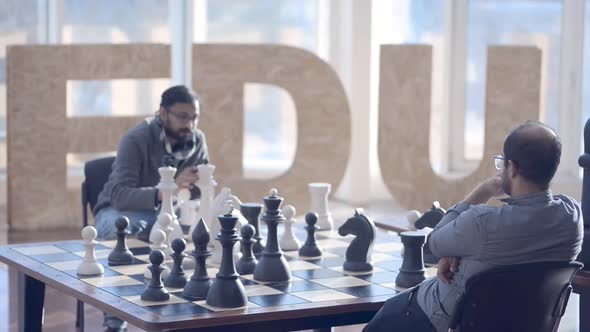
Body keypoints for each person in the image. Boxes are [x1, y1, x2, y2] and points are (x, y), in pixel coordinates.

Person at [364, 121, 583, 332]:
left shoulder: (480, 223)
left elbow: (433, 243)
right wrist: (461, 252)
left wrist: (483, 191)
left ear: (513, 168)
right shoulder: (572, 219)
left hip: (437, 320)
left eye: (503, 162)